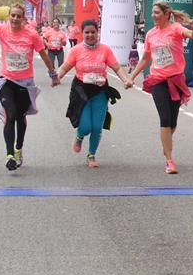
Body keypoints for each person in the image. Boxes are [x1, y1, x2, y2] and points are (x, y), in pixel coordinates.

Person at [0, 0, 60, 171]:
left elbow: (43, 55)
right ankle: (9, 154)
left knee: (20, 116)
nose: (15, 18)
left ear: (23, 18)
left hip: (25, 83)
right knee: (10, 114)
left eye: (19, 16)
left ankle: (18, 148)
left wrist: (53, 74)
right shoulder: (2, 29)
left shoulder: (31, 35)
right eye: (13, 15)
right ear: (9, 16)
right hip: (7, 80)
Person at [129, 2, 193, 174]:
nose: (153, 16)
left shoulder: (176, 28)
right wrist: (131, 77)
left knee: (173, 121)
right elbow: (145, 58)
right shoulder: (150, 34)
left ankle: (166, 143)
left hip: (176, 80)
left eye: (157, 13)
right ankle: (169, 160)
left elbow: (192, 35)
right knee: (164, 118)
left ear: (166, 14)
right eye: (152, 13)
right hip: (158, 80)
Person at [54, 20, 134, 168]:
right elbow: (64, 68)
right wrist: (56, 77)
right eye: (87, 32)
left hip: (100, 91)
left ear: (98, 33)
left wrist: (126, 80)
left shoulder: (105, 50)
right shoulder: (76, 50)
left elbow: (116, 68)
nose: (90, 35)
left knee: (97, 126)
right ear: (82, 34)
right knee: (85, 126)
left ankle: (91, 155)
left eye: (93, 32)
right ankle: (79, 136)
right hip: (81, 91)